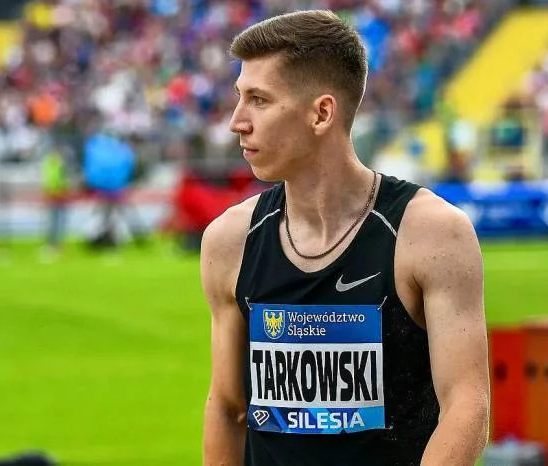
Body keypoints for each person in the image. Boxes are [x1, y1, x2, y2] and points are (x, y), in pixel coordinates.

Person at [200, 10, 489, 466]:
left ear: (321, 113)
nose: (237, 121)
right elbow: (227, 406)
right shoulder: (230, 239)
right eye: (240, 97)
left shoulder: (430, 234)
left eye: (259, 100)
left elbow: (467, 405)